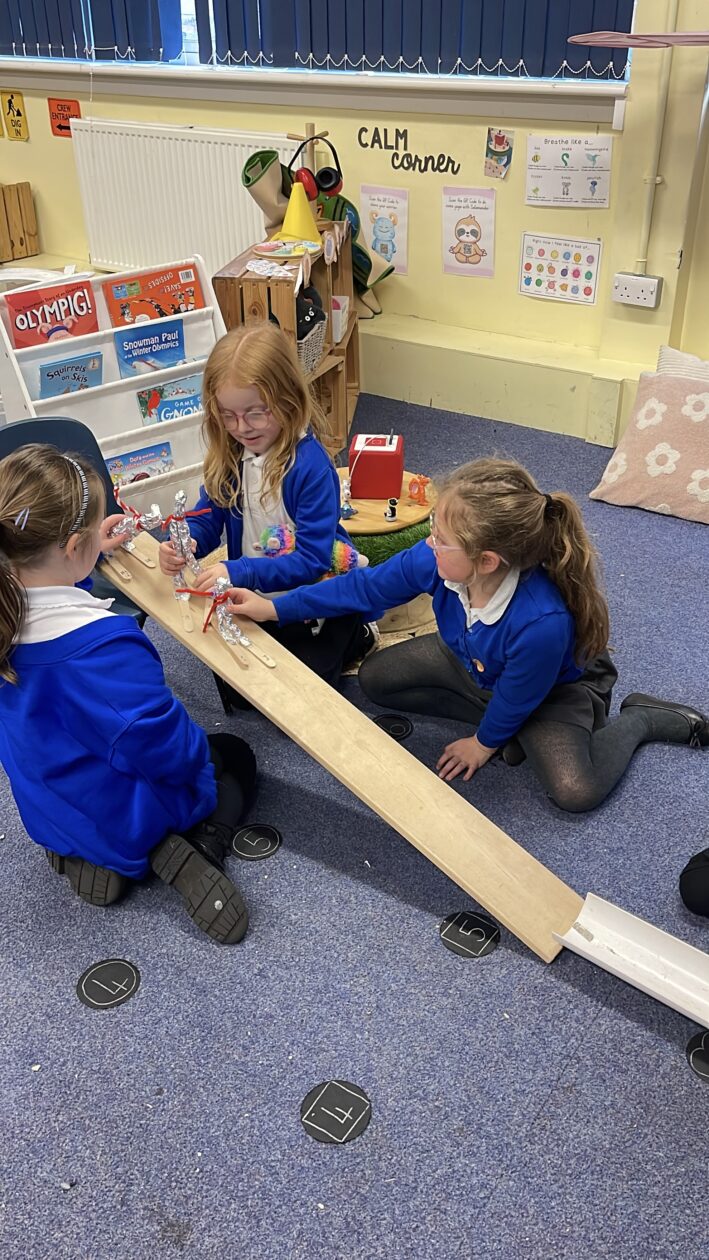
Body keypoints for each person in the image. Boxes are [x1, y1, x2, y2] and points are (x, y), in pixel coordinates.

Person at [224, 457, 708, 813]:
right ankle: (510, 729)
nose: (429, 541)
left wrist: (483, 743)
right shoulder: (438, 561)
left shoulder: (541, 622)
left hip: (551, 690)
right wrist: (275, 607)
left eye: (440, 538)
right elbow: (362, 587)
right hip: (475, 661)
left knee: (574, 790)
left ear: (487, 561)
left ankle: (642, 719)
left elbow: (519, 693)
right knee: (377, 679)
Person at [0, 444, 256, 943]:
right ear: (72, 547)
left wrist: (91, 549)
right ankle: (189, 849)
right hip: (126, 814)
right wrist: (199, 759)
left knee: (79, 756)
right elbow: (165, 748)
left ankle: (81, 854)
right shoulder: (104, 647)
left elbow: (48, 585)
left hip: (50, 806)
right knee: (233, 755)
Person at [157, 322, 373, 712]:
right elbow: (209, 515)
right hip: (255, 589)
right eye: (228, 415)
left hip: (310, 593)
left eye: (255, 413)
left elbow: (311, 561)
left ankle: (354, 631)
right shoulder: (230, 453)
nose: (241, 428)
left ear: (289, 400)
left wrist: (238, 571)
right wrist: (187, 540)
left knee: (304, 698)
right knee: (241, 693)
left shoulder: (310, 468)